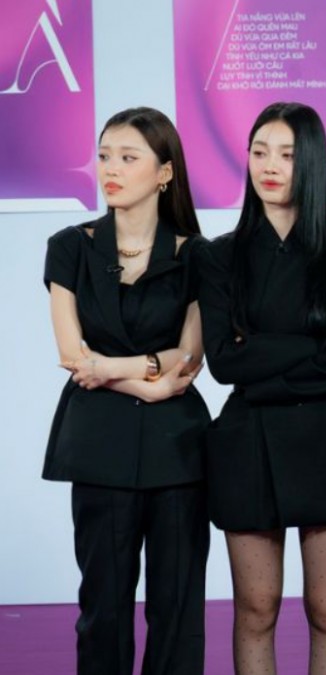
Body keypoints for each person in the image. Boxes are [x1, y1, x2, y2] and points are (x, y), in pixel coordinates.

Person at [197, 102, 326, 675]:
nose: (269, 166)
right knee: (256, 607)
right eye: (259, 151)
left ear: (313, 163)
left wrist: (261, 350)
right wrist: (307, 344)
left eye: (287, 154)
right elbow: (224, 360)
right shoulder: (218, 256)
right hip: (247, 441)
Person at [44, 106, 209, 674]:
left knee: (177, 606)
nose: (110, 169)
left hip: (177, 450)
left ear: (164, 172)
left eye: (127, 157)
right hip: (99, 445)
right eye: (104, 155)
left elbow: (190, 358)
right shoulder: (70, 246)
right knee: (103, 608)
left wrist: (115, 369)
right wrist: (152, 384)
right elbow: (73, 354)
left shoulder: (196, 254)